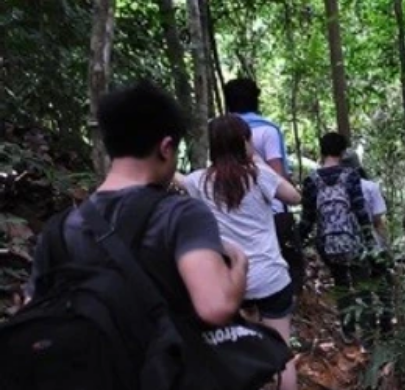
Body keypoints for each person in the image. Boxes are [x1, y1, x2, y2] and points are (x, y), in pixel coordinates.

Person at [23, 81, 248, 387]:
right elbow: (215, 307)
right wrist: (239, 265)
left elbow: (34, 312)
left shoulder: (59, 228)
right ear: (166, 148)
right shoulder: (182, 214)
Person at [178, 115, 301, 390]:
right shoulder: (259, 175)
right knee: (281, 350)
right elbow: (294, 197)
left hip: (233, 281)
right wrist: (257, 161)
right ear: (244, 142)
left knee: (244, 349)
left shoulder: (200, 181)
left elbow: (177, 179)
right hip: (270, 276)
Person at [224, 78, 305, 296]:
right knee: (285, 268)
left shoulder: (219, 129)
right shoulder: (267, 130)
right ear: (256, 100)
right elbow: (276, 174)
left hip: (231, 211)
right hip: (271, 211)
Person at [298, 132, 376, 344]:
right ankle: (368, 335)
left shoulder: (311, 180)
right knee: (362, 284)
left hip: (327, 243)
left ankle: (348, 332)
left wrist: (294, 241)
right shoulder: (350, 175)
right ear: (342, 152)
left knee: (341, 284)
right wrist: (371, 241)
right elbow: (360, 211)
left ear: (322, 151)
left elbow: (307, 219)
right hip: (353, 240)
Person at [342, 150, 393, 335]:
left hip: (351, 246)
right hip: (374, 245)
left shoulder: (339, 189)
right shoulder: (370, 187)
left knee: (363, 291)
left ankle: (369, 334)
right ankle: (387, 329)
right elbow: (379, 222)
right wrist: (387, 248)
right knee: (383, 289)